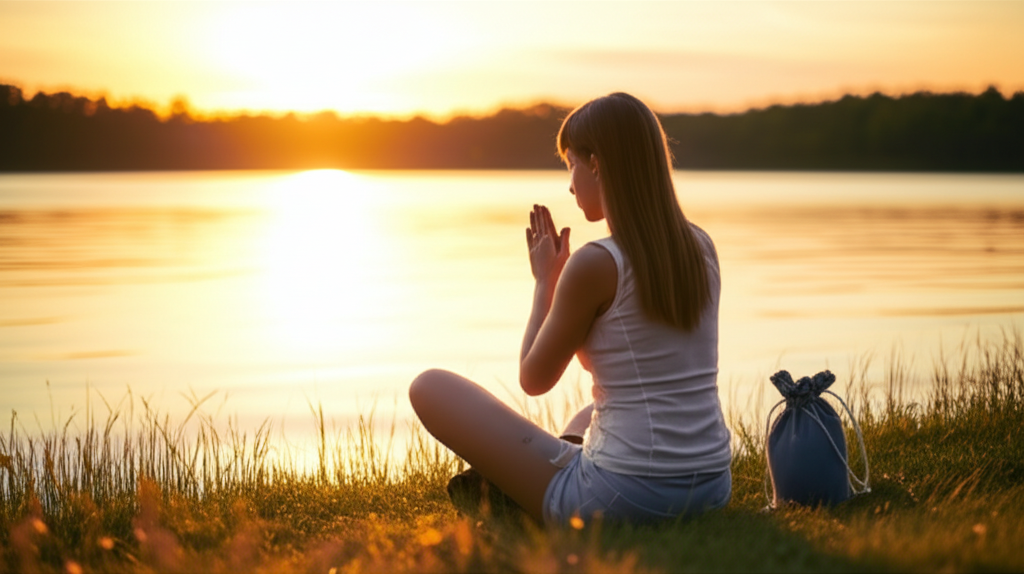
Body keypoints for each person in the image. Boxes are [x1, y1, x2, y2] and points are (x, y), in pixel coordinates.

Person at [409, 92, 732, 526]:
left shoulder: (597, 263)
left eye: (571, 165)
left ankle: (510, 493)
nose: (570, 183)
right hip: (711, 485)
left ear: (596, 163)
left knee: (428, 386)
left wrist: (546, 282)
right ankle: (516, 481)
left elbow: (534, 378)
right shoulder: (701, 246)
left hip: (626, 496)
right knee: (587, 414)